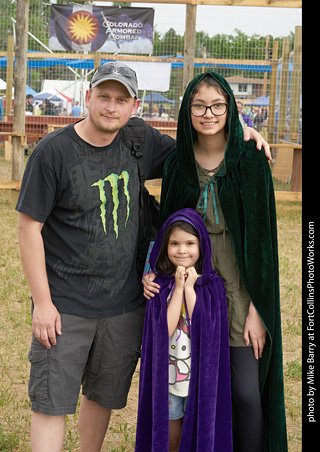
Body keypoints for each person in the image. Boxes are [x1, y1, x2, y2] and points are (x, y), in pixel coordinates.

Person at [16, 61, 271, 452]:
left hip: (123, 306)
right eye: (104, 96)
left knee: (103, 395)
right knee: (53, 401)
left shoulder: (139, 139)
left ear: (135, 105)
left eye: (121, 99)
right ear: (88, 97)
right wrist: (43, 304)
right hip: (67, 303)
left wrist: (242, 132)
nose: (111, 106)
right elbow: (28, 226)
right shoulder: (54, 151)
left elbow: (199, 145)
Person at [143, 71, 287, 452]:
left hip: (240, 287)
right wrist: (151, 271)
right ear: (188, 110)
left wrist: (257, 307)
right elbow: (167, 231)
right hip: (195, 285)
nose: (209, 113)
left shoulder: (251, 161)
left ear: (231, 109)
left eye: (218, 105)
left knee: (245, 393)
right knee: (196, 388)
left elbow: (262, 242)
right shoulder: (178, 165)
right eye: (200, 105)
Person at [135, 208, 232, 452]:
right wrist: (178, 289)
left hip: (200, 379)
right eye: (174, 243)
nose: (182, 250)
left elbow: (206, 329)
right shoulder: (160, 286)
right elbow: (163, 332)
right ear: (165, 246)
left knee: (198, 433)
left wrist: (190, 288)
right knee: (173, 437)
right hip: (169, 381)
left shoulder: (212, 285)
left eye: (190, 243)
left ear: (201, 246)